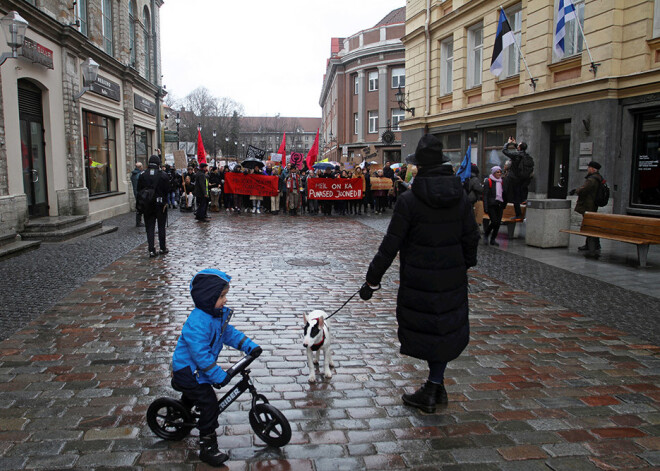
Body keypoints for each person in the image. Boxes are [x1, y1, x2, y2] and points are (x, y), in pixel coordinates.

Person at [364, 134, 479, 413]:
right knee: (443, 328)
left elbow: (390, 245)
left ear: (420, 167)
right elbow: (471, 237)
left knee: (430, 329)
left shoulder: (409, 201)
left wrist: (372, 280)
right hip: (451, 278)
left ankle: (431, 389)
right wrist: (463, 264)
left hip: (419, 279)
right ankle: (436, 384)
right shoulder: (461, 197)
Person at [171, 268, 261, 467]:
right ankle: (207, 446)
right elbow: (200, 355)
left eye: (225, 295)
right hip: (188, 371)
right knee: (209, 403)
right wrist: (217, 375)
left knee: (198, 396)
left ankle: (183, 409)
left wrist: (249, 345)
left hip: (197, 371)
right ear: (207, 297)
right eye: (221, 296)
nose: (225, 300)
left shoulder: (215, 315)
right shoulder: (197, 323)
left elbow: (228, 334)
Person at [137, 155, 169, 257]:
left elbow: (139, 190)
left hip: (148, 204)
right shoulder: (163, 175)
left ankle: (151, 249)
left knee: (150, 227)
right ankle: (162, 247)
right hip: (160, 204)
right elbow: (167, 190)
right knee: (161, 227)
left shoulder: (142, 175)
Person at [570, 161, 604, 256]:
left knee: (589, 225)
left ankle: (591, 244)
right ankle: (594, 244)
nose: (587, 169)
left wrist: (575, 190)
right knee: (591, 225)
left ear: (593, 169)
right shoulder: (598, 178)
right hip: (592, 204)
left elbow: (584, 189)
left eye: (589, 167)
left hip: (588, 205)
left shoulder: (592, 179)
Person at [502, 137, 534, 219]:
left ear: (519, 148)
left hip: (512, 178)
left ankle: (501, 210)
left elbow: (504, 151)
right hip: (521, 179)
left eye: (518, 146)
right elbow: (520, 152)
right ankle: (518, 214)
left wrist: (508, 143)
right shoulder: (527, 156)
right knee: (516, 197)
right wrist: (516, 144)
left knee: (505, 193)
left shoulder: (516, 155)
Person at [483, 166, 506, 246]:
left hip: (499, 205)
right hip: (491, 205)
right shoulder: (488, 181)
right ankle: (486, 234)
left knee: (498, 223)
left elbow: (504, 194)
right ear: (493, 173)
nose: (499, 174)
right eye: (497, 172)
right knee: (494, 222)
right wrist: (485, 207)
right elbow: (485, 195)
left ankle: (493, 239)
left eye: (500, 172)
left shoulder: (501, 182)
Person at [130, 162, 144, 227]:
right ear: (140, 167)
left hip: (137, 192)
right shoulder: (138, 175)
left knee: (139, 207)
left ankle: (139, 221)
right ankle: (138, 222)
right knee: (139, 207)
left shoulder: (134, 174)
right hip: (139, 193)